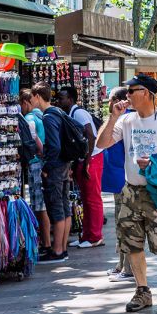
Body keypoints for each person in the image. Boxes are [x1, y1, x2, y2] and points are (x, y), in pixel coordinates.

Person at [94, 74, 157, 312]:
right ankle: (142, 291)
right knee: (132, 244)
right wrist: (112, 116)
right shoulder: (126, 121)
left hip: (156, 192)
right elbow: (101, 144)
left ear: (146, 93)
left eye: (131, 91)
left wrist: (156, 165)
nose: (127, 96)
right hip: (130, 191)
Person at [57, 85, 104, 249]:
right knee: (85, 199)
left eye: (61, 97)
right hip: (85, 158)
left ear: (70, 99)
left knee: (93, 199)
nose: (59, 100)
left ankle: (95, 236)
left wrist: (88, 161)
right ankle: (86, 235)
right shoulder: (71, 113)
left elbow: (91, 136)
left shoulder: (79, 113)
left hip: (92, 158)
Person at [32, 84, 73, 263]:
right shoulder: (58, 112)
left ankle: (57, 251)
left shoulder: (48, 117)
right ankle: (62, 248)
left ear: (38, 96)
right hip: (64, 164)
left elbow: (54, 145)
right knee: (64, 207)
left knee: (56, 208)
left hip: (56, 167)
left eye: (32, 97)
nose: (31, 100)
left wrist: (47, 167)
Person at [101, 87, 134, 282]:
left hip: (124, 178)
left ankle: (128, 267)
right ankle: (122, 263)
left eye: (111, 99)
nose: (108, 103)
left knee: (125, 222)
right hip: (117, 178)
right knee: (119, 222)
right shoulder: (117, 119)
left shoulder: (126, 119)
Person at [18, 90, 49, 253]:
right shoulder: (41, 115)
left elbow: (35, 140)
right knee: (43, 203)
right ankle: (47, 241)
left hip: (36, 163)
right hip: (44, 162)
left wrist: (41, 153)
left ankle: (46, 243)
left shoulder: (29, 118)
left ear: (25, 103)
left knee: (39, 205)